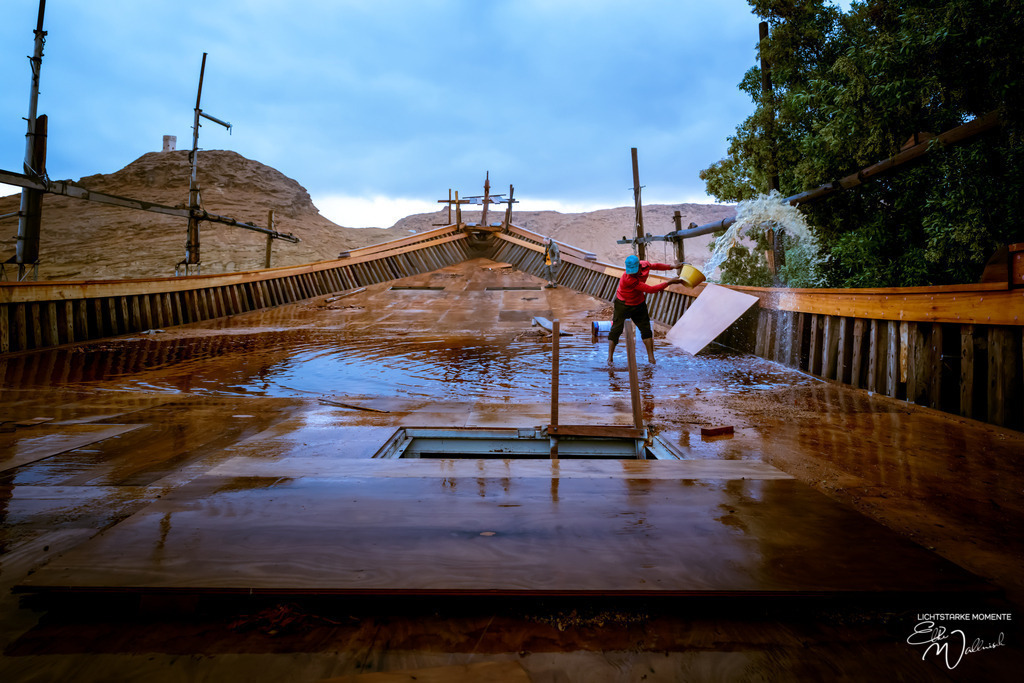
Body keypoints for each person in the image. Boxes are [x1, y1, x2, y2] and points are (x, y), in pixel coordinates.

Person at [607, 254, 683, 364]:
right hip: (623, 304)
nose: (632, 273)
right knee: (616, 329)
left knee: (646, 329)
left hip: (638, 303)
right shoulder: (628, 279)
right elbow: (650, 290)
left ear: (639, 266)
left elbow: (656, 266)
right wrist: (669, 282)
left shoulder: (645, 264)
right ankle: (610, 358)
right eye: (630, 271)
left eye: (634, 270)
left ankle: (651, 359)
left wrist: (672, 266)